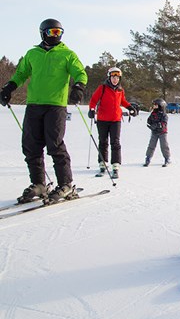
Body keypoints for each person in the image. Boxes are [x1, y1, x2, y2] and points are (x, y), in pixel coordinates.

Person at [0, 18, 87, 203]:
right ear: (43, 33)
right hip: (34, 105)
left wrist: (78, 87)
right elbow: (21, 74)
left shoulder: (67, 54)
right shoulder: (32, 54)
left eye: (59, 32)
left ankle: (66, 184)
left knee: (55, 144)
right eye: (52, 32)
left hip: (56, 106)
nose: (56, 35)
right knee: (31, 145)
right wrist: (9, 88)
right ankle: (39, 184)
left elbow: (80, 72)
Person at [88, 67, 138, 179]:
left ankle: (115, 165)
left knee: (115, 142)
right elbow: (93, 100)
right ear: (109, 77)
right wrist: (92, 110)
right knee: (103, 141)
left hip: (116, 120)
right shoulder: (102, 88)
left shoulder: (120, 90)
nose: (115, 79)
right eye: (113, 77)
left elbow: (122, 101)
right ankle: (102, 164)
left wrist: (130, 107)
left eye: (117, 77)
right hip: (102, 119)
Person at [144, 98, 171, 167]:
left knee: (164, 146)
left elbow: (163, 124)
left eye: (155, 105)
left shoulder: (164, 115)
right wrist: (150, 125)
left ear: (160, 106)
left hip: (162, 133)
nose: (154, 106)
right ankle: (148, 158)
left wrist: (156, 125)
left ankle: (167, 158)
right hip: (154, 133)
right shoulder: (153, 113)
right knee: (151, 145)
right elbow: (149, 120)